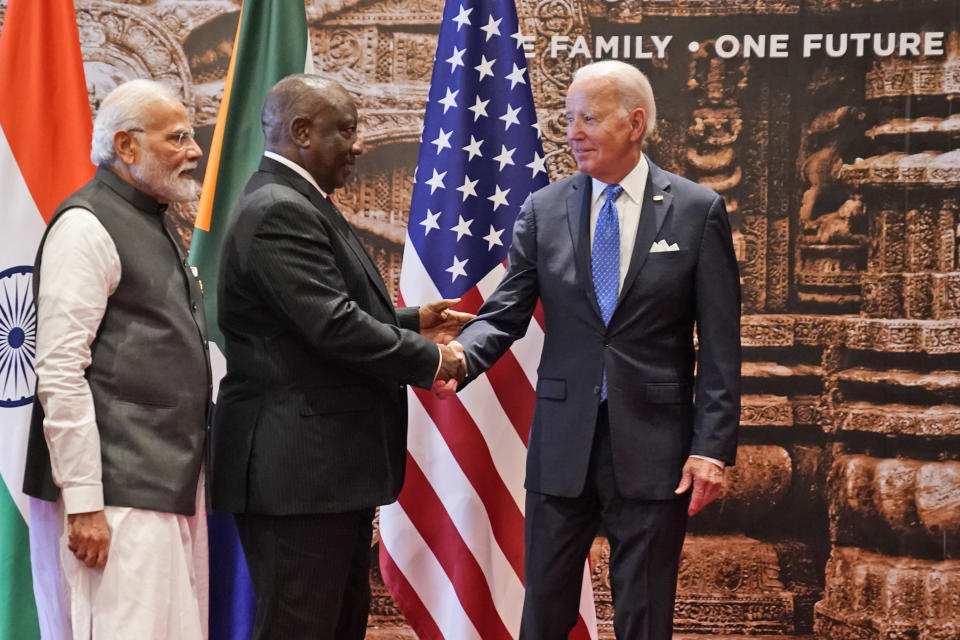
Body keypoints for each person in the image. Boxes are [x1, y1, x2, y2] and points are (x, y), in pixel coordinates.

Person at [443, 60, 742, 639]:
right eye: (568, 118)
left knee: (645, 612)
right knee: (546, 613)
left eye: (588, 118)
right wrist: (455, 359)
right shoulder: (544, 210)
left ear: (634, 123)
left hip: (657, 444)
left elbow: (721, 346)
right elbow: (505, 312)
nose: (573, 132)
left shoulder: (696, 209)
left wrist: (712, 448)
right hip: (563, 439)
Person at [211, 74, 469, 640]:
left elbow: (314, 317)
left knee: (336, 625)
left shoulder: (298, 201)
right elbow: (332, 325)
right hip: (297, 473)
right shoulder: (280, 208)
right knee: (300, 627)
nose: (358, 145)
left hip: (324, 473)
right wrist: (432, 359)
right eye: (347, 131)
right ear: (301, 132)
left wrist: (413, 321)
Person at [22, 79, 211, 639]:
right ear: (126, 147)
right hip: (116, 499)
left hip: (162, 487)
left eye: (192, 136)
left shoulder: (149, 218)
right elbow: (59, 370)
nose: (194, 150)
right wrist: (83, 504)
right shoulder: (86, 225)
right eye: (178, 137)